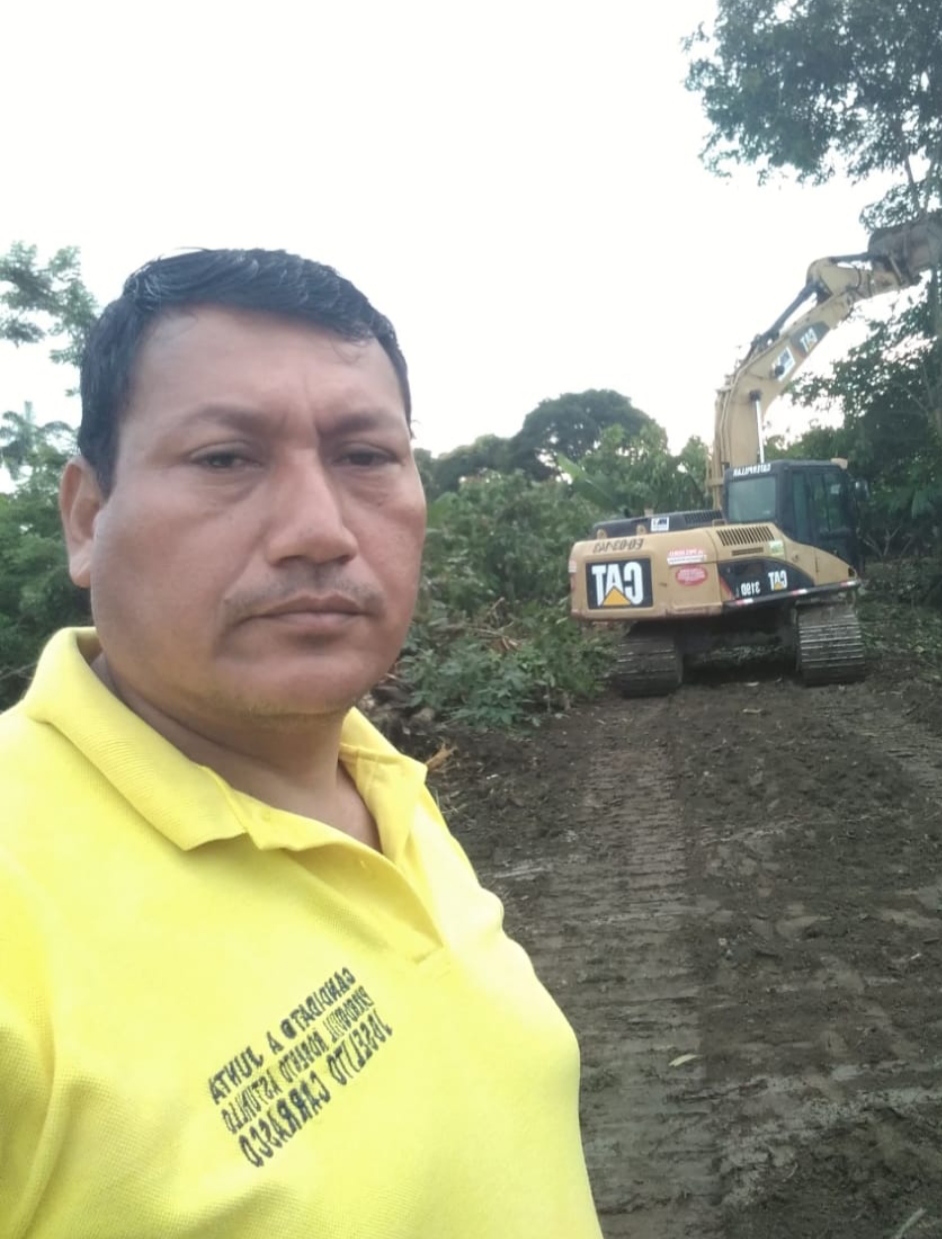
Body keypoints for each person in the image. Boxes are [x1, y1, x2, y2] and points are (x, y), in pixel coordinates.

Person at [0, 249, 603, 1238]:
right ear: (87, 519)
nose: (319, 529)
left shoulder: (379, 781)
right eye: (225, 459)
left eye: (364, 456)